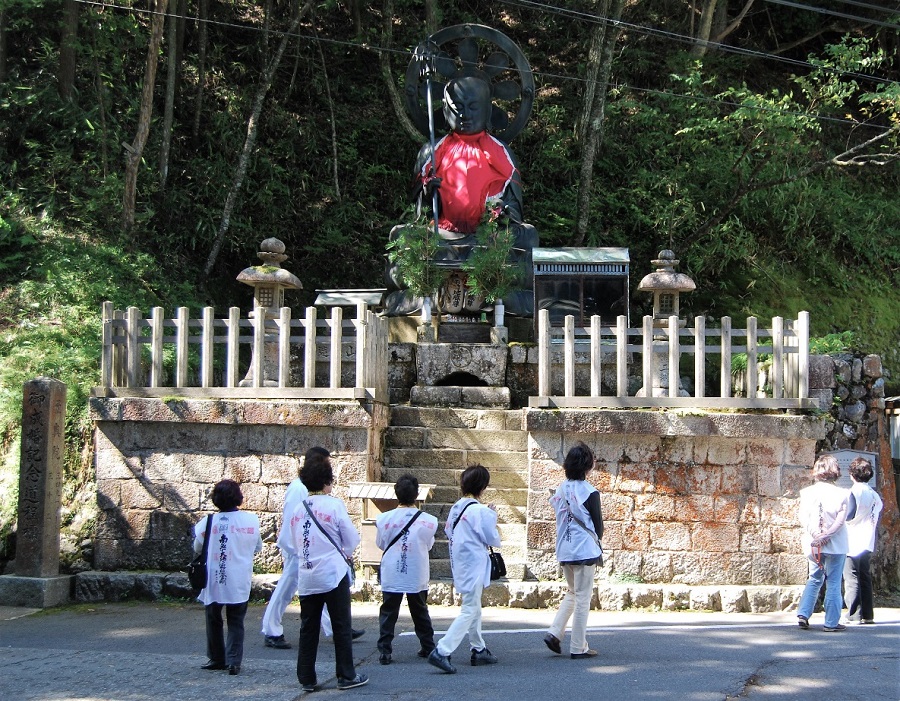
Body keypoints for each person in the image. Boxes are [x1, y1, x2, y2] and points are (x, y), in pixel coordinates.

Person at [384, 74, 538, 318]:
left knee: (527, 235)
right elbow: (419, 213)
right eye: (457, 108)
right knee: (401, 235)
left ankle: (446, 294)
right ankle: (474, 294)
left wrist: (502, 214)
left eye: (473, 107)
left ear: (488, 111)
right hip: (442, 234)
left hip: (485, 237)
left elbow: (514, 209)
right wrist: (426, 193)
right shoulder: (431, 151)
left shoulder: (502, 153)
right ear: (445, 111)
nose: (464, 114)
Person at [260, 447, 364, 648]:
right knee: (287, 587)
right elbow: (293, 519)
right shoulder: (299, 488)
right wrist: (297, 548)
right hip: (299, 547)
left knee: (321, 589)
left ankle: (335, 628)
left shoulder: (308, 488)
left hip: (307, 546)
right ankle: (271, 628)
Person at [287, 455, 368, 691]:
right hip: (332, 572)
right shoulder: (334, 505)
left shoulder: (297, 510)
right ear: (326, 481)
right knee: (341, 624)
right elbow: (351, 538)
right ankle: (346, 674)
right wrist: (346, 552)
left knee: (308, 626)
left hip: (307, 574)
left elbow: (294, 543)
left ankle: (306, 677)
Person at [428, 464, 501, 674]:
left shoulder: (456, 508)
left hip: (459, 561)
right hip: (475, 561)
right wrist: (492, 515)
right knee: (470, 608)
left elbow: (449, 531)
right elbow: (492, 538)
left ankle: (478, 649)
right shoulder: (481, 511)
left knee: (473, 604)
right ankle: (442, 650)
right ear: (482, 486)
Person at [195, 479, 263, 676]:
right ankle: (233, 661)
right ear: (238, 497)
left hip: (214, 577)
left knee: (213, 617)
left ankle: (216, 658)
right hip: (239, 577)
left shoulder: (207, 523)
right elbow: (257, 547)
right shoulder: (251, 520)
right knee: (236, 620)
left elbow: (197, 548)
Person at [544, 442, 604, 659]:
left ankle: (554, 633)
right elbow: (598, 527)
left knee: (573, 592)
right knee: (582, 599)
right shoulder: (590, 492)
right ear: (587, 466)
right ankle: (578, 646)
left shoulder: (560, 489)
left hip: (565, 549)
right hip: (584, 551)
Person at [375, 474, 438, 665]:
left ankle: (385, 650)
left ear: (396, 494)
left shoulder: (383, 518)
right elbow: (428, 545)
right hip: (416, 569)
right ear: (417, 494)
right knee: (419, 609)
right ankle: (428, 646)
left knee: (388, 611)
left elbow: (380, 544)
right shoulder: (429, 520)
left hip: (392, 569)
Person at [796, 454, 850, 632]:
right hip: (836, 544)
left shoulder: (807, 492)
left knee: (814, 578)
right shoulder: (843, 493)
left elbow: (804, 517)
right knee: (834, 582)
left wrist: (817, 535)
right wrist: (827, 535)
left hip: (813, 544)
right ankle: (831, 622)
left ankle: (803, 614)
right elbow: (840, 520)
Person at [842, 456, 883, 624]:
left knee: (851, 577)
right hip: (868, 538)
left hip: (852, 539)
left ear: (852, 474)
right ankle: (867, 614)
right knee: (865, 576)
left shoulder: (854, 492)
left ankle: (854, 613)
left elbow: (849, 515)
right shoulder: (874, 495)